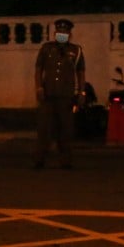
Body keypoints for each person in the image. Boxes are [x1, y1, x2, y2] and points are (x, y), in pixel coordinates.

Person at [34, 17, 85, 169]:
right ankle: (39, 159)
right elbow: (38, 69)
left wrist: (81, 93)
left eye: (65, 31)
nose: (61, 33)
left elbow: (81, 73)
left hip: (66, 96)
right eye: (59, 31)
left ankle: (66, 161)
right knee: (44, 129)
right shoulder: (46, 48)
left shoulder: (76, 51)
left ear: (69, 34)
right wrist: (39, 88)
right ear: (55, 32)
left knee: (66, 130)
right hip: (48, 94)